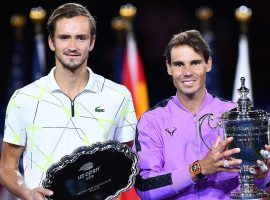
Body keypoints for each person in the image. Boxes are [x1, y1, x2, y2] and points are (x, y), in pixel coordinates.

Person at [0, 3, 137, 200]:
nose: (72, 46)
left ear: (92, 42)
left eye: (81, 38)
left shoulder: (118, 95)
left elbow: (124, 163)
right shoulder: (24, 98)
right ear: (51, 42)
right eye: (64, 37)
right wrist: (25, 192)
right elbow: (7, 167)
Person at [134, 30, 270, 199]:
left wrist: (263, 175)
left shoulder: (235, 115)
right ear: (169, 68)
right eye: (179, 64)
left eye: (195, 63)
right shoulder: (152, 121)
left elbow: (257, 182)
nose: (187, 72)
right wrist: (200, 168)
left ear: (208, 64)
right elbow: (145, 188)